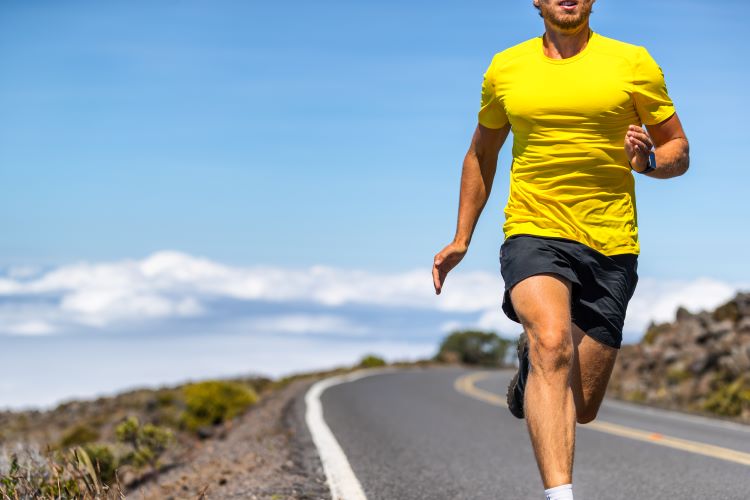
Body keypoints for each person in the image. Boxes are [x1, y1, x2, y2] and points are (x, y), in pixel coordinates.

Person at [431, 1, 690, 499]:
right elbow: (482, 153)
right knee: (552, 341)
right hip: (534, 229)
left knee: (583, 405)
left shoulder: (633, 63)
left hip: (611, 243)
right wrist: (462, 237)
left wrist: (649, 160)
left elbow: (679, 148)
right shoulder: (506, 68)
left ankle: (530, 368)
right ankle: (560, 494)